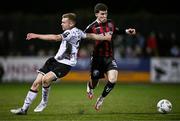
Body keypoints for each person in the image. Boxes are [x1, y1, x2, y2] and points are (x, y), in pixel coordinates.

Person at [10, 13, 112, 115]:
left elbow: (55, 38)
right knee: (36, 83)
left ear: (71, 23)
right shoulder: (78, 32)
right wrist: (105, 37)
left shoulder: (70, 32)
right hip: (54, 60)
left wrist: (36, 35)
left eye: (63, 22)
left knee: (45, 79)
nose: (61, 24)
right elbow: (90, 35)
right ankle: (24, 109)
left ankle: (44, 102)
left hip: (65, 65)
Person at [84, 3, 136, 111]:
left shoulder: (111, 22)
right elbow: (82, 36)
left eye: (106, 14)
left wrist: (126, 31)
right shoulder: (91, 27)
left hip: (109, 57)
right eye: (102, 14)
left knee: (112, 79)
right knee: (94, 84)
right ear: (96, 14)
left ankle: (101, 99)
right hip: (97, 59)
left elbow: (115, 30)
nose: (104, 16)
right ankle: (89, 86)